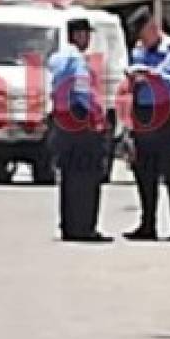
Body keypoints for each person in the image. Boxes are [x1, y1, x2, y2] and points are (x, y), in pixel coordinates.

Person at [123, 6, 170, 242]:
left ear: (153, 28)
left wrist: (157, 77)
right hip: (143, 115)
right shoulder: (138, 53)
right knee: (144, 172)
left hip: (167, 115)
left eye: (144, 33)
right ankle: (147, 225)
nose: (142, 40)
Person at [48, 18, 110, 243]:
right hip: (81, 122)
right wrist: (98, 116)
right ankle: (85, 228)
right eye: (86, 34)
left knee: (68, 177)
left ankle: (69, 226)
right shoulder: (77, 61)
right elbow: (83, 92)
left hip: (62, 123)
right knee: (87, 177)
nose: (88, 39)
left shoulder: (56, 58)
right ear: (78, 36)